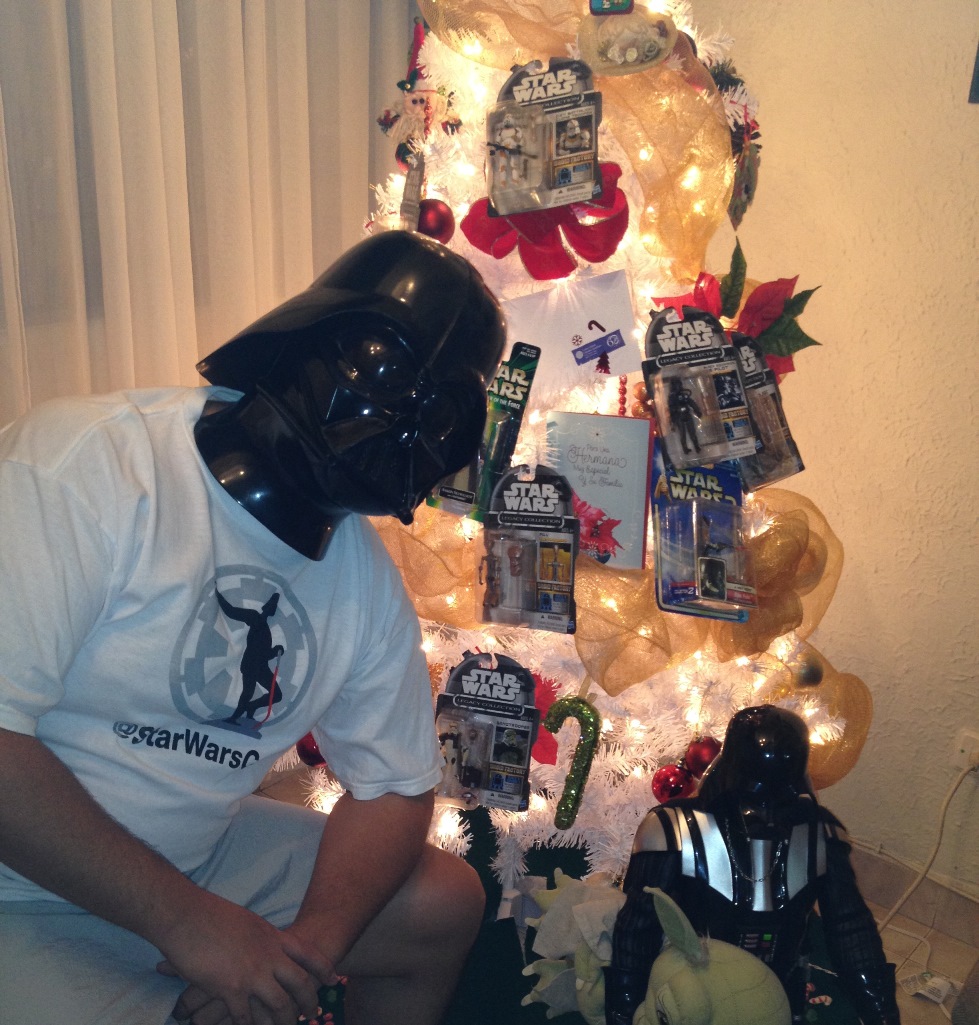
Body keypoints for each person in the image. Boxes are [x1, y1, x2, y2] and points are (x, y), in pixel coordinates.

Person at [0, 230, 507, 1025]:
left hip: (194, 856)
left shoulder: (362, 577)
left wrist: (303, 952)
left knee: (441, 902)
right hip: (19, 882)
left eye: (439, 410)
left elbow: (396, 788)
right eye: (379, 367)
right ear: (304, 334)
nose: (398, 419)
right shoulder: (88, 466)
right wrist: (190, 923)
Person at [606, 705, 901, 1025]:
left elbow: (850, 928)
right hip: (692, 987)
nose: (766, 814)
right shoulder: (672, 829)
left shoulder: (821, 835)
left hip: (780, 990)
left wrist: (882, 1014)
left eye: (778, 797)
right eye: (756, 797)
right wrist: (624, 1010)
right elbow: (639, 928)